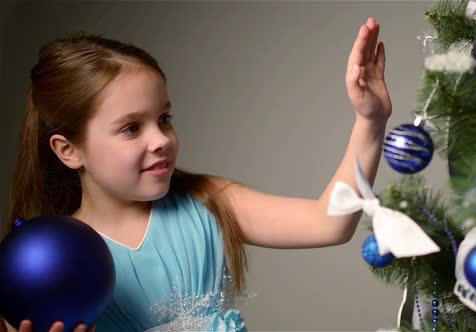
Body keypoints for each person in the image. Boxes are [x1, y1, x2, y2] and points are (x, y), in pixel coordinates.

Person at [1, 16, 391, 332]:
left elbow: (329, 223)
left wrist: (369, 121)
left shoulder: (207, 201)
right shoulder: (42, 266)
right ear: (69, 150)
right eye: (131, 128)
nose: (161, 139)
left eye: (164, 119)